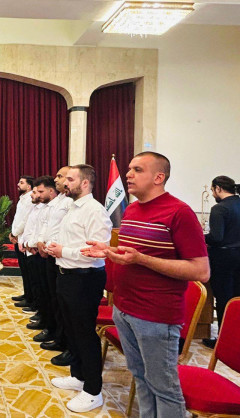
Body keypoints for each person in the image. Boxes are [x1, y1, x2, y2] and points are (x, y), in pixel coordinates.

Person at [83, 152, 210, 417]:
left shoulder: (179, 212)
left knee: (164, 388)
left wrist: (142, 259)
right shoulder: (132, 209)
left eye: (137, 170)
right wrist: (109, 252)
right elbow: (133, 255)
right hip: (124, 309)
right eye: (129, 169)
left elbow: (201, 270)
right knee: (140, 377)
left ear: (158, 177)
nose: (128, 174)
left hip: (156, 316)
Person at [47, 164, 112, 413]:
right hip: (67, 275)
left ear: (85, 183)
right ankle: (78, 375)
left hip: (85, 279)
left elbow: (97, 251)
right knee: (71, 330)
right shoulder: (72, 207)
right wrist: (57, 247)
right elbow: (71, 240)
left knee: (84, 333)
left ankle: (93, 391)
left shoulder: (95, 210)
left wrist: (64, 251)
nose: (65, 183)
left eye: (71, 179)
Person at [34, 166, 73, 367]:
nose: (56, 179)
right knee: (52, 296)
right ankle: (56, 333)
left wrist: (50, 245)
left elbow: (64, 231)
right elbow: (47, 226)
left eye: (60, 176)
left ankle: (63, 340)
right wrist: (41, 241)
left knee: (60, 302)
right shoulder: (57, 202)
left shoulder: (70, 203)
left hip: (62, 255)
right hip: (50, 252)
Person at [203, 175, 240, 348]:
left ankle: (223, 342)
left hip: (223, 259)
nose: (212, 194)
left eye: (212, 190)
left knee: (223, 299)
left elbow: (216, 238)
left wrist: (200, 237)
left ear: (218, 188)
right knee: (237, 299)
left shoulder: (220, 209)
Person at [19, 178, 49, 315]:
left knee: (39, 283)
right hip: (29, 245)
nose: (32, 194)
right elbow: (29, 227)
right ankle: (33, 302)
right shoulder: (35, 208)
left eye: (37, 192)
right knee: (32, 278)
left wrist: (31, 244)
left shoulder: (44, 209)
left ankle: (38, 307)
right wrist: (23, 241)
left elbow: (40, 229)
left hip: (37, 249)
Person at [9, 175, 35, 307]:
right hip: (18, 237)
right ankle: (27, 293)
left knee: (28, 270)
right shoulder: (23, 198)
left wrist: (15, 233)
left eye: (21, 182)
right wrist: (13, 233)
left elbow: (25, 220)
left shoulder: (30, 199)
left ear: (29, 186)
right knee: (24, 270)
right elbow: (18, 218)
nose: (18, 184)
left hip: (24, 238)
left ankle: (30, 297)